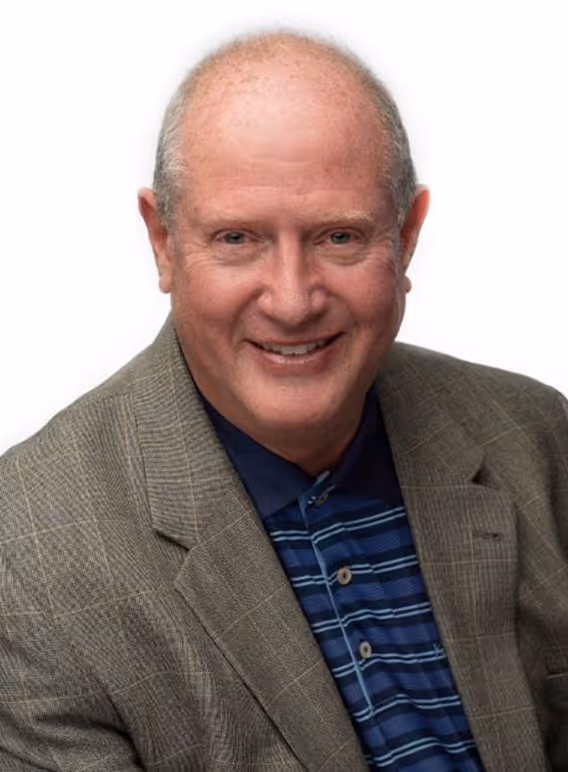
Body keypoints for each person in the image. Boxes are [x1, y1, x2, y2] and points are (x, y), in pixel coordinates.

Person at [0, 29, 566, 772]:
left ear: (407, 234)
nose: (293, 301)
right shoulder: (29, 555)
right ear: (163, 242)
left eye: (338, 237)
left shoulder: (534, 435)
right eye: (238, 238)